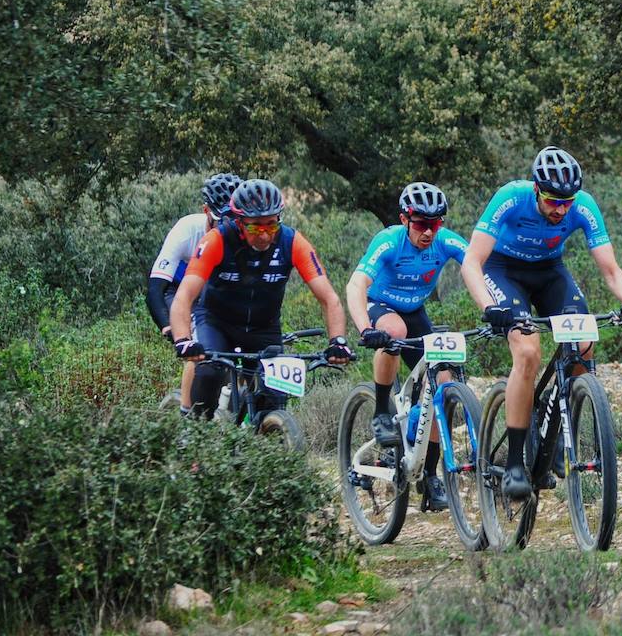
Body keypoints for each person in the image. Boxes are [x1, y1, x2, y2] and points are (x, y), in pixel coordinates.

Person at [460, 147, 622, 500]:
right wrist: (490, 307)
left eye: (567, 202)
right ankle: (515, 462)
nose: (561, 210)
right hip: (503, 271)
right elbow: (472, 261)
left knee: (584, 345)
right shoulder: (510, 198)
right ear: (536, 189)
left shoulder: (583, 205)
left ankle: (557, 422)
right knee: (528, 352)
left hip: (550, 272)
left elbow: (610, 269)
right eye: (553, 201)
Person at [169, 178, 352, 417]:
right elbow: (184, 296)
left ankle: (266, 432)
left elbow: (329, 298)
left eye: (271, 225)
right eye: (256, 227)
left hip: (264, 327)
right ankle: (194, 429)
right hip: (217, 323)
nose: (265, 235)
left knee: (274, 398)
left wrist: (338, 341)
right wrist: (183, 340)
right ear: (239, 222)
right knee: (209, 373)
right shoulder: (216, 240)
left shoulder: (292, 242)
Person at [346, 181, 468, 511]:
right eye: (421, 224)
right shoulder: (388, 241)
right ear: (404, 220)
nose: (428, 232)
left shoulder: (444, 241)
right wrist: (365, 328)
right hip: (381, 307)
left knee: (442, 381)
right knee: (394, 331)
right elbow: (356, 285)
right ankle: (381, 410)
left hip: (416, 311)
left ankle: (430, 475)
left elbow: (476, 264)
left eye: (435, 224)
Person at [147, 172, 241, 414]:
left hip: (214, 292)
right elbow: (156, 288)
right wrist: (167, 326)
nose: (229, 228)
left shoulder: (243, 235)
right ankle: (188, 416)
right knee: (198, 344)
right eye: (222, 220)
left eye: (235, 220)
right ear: (206, 211)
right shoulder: (186, 230)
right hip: (179, 290)